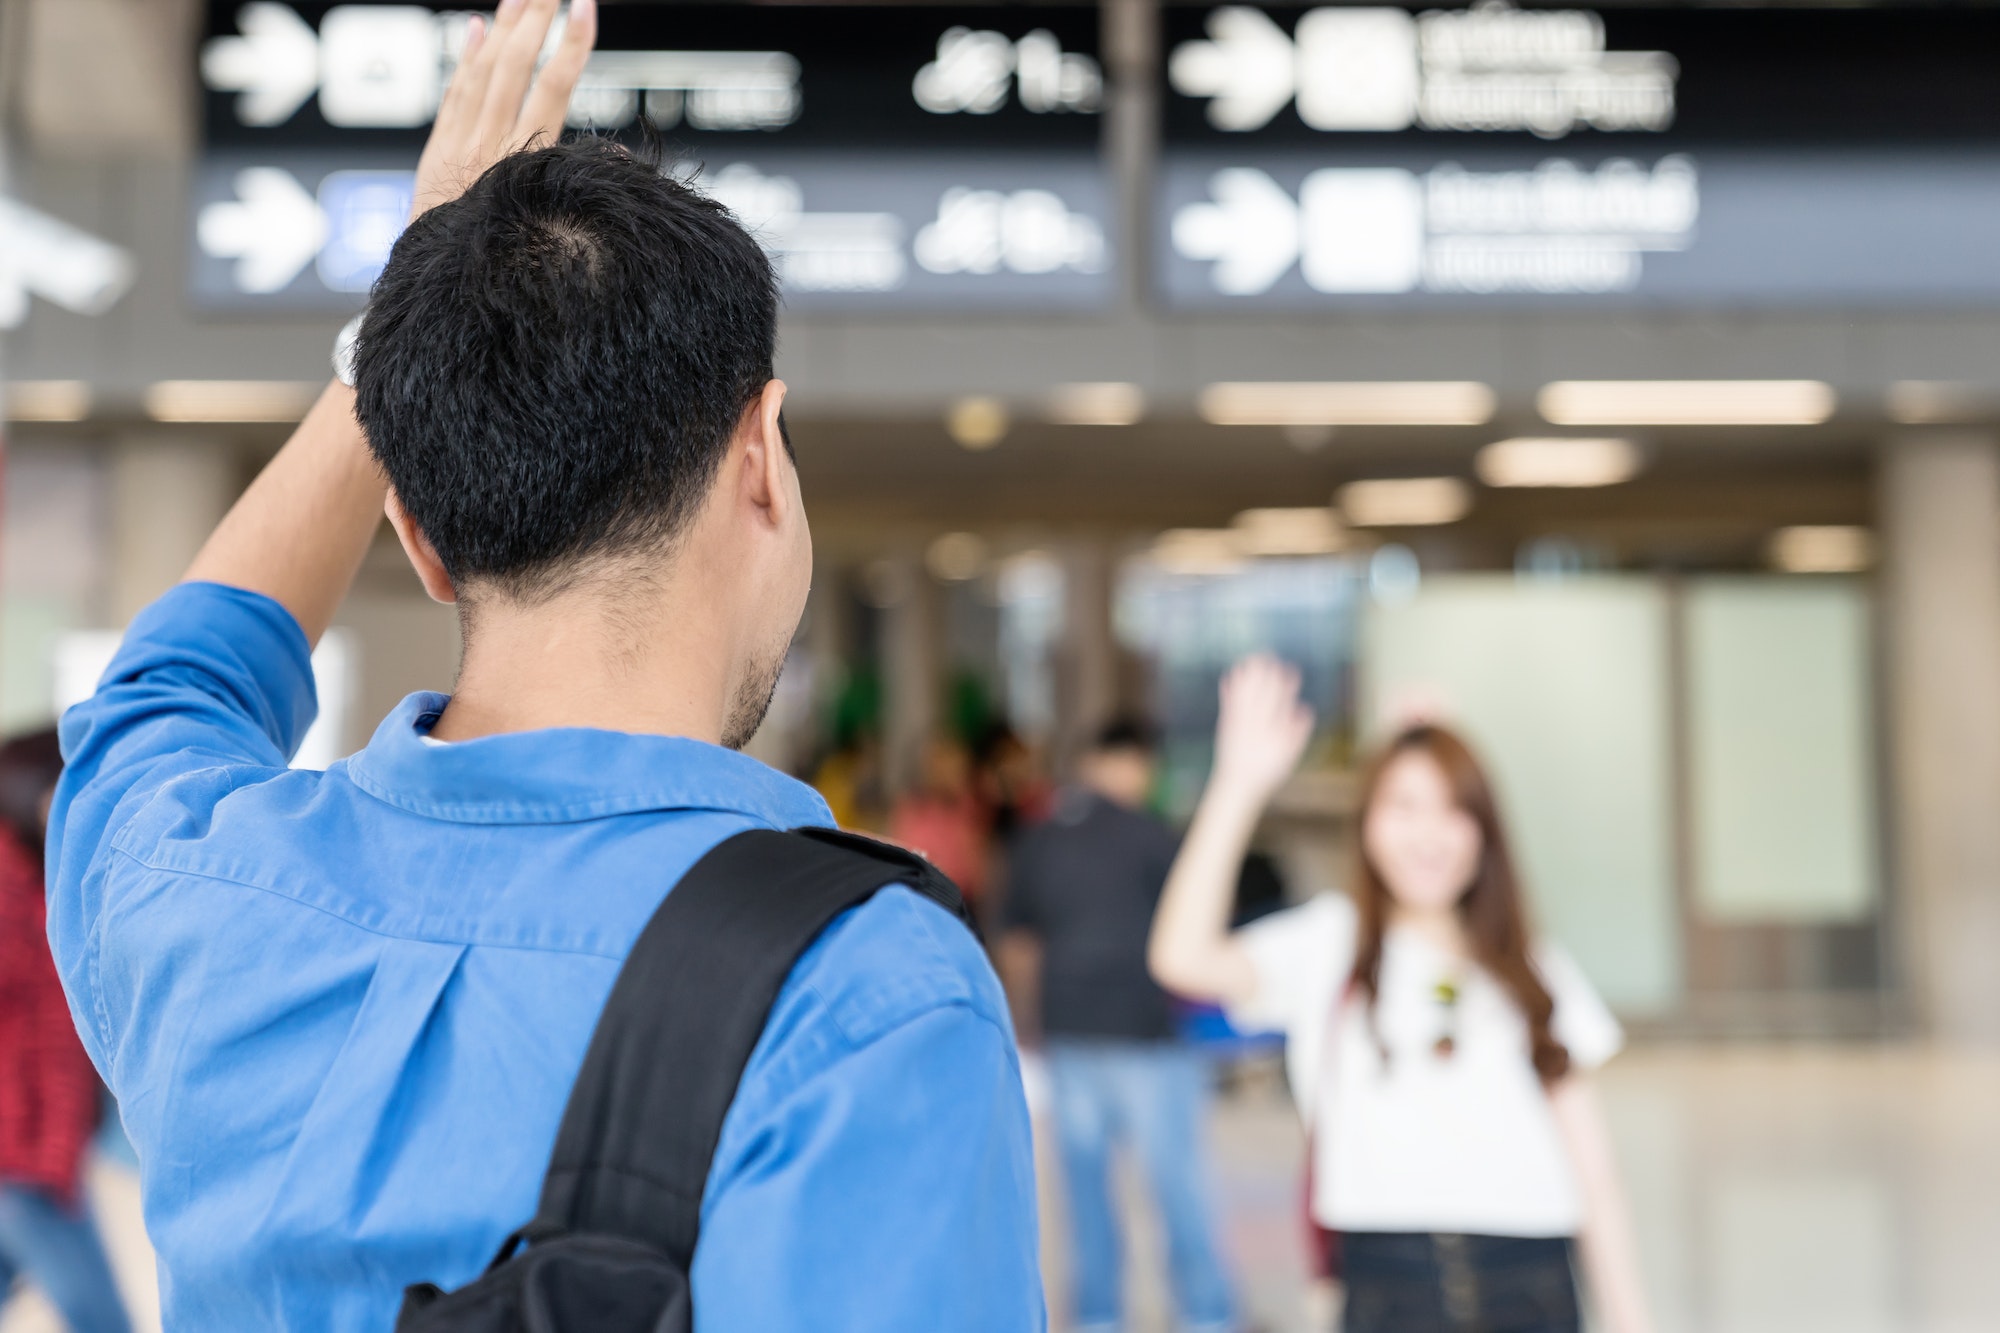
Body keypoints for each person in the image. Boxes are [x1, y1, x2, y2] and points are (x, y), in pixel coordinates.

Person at [45, 2, 1041, 1328]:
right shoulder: (864, 993)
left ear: (416, 534)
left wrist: (404, 348)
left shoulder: (193, 888)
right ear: (761, 458)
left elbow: (170, 691)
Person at [1149, 658, 1652, 1333]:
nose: (1428, 835)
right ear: (1368, 822)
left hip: (1528, 1280)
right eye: (1403, 806)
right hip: (1387, 1282)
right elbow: (1181, 955)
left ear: (1485, 830)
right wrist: (1237, 786)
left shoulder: (1532, 967)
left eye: (1453, 809)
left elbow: (1597, 1175)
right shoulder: (1329, 943)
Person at [998, 719, 1235, 1333]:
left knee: (1086, 1197)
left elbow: (1019, 942)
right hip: (1146, 1032)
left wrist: (1025, 1022)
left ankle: (1099, 1318)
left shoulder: (1042, 835)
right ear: (1133, 763)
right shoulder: (1151, 834)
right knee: (1177, 1188)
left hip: (1070, 1030)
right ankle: (1205, 1316)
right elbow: (1200, 926)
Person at [0, 730, 130, 1333]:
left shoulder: (38, 874)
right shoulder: (10, 890)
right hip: (21, 1152)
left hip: (33, 1147)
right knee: (102, 1322)